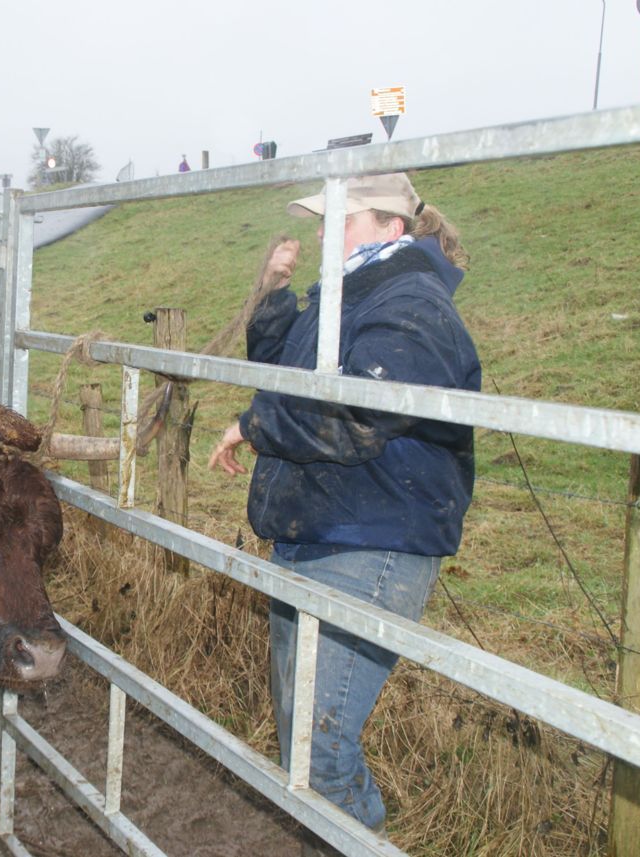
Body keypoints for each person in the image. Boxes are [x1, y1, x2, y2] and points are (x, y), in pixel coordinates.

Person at [207, 172, 480, 844]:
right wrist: (272, 297)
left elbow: (358, 413)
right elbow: (285, 374)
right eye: (325, 220)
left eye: (342, 220)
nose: (325, 233)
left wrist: (256, 425)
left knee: (317, 751)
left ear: (392, 226)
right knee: (304, 741)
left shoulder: (411, 301)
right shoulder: (341, 299)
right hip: (317, 530)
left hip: (371, 541)